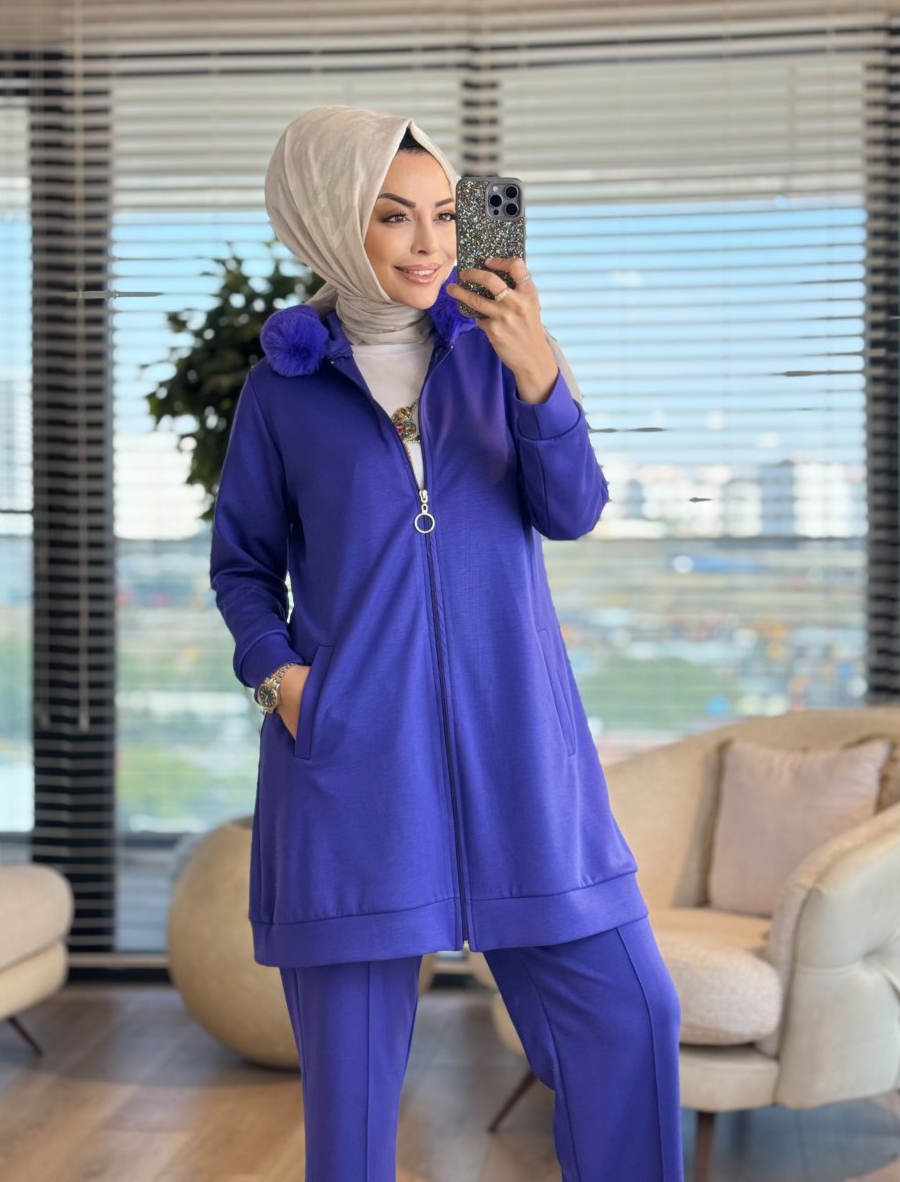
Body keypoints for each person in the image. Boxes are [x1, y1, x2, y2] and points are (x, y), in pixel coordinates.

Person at [209, 104, 685, 1182]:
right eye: (393, 216)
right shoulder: (284, 389)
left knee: (631, 1018)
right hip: (352, 773)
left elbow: (572, 509)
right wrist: (284, 683)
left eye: (442, 214)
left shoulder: (497, 354)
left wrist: (537, 373)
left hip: (523, 758)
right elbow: (242, 565)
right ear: (333, 222)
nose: (428, 244)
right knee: (349, 1115)